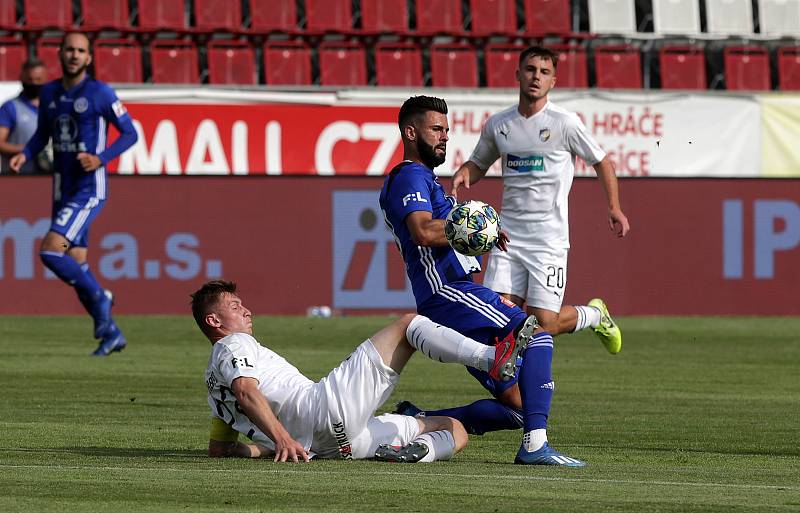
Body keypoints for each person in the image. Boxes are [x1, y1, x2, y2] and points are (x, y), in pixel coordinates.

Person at [379, 95, 586, 466]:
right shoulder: (408, 175)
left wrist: (484, 233)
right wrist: (472, 227)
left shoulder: (427, 178)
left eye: (447, 130)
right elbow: (424, 231)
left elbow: (448, 231)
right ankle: (536, 447)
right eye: (436, 129)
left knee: (521, 406)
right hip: (447, 291)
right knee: (535, 331)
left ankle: (416, 420)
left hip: (457, 294)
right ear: (411, 132)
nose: (445, 136)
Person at [193, 279, 522, 463]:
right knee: (409, 325)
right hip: (324, 409)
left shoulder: (213, 391)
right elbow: (246, 391)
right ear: (214, 322)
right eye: (235, 307)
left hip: (333, 447)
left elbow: (220, 450)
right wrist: (282, 438)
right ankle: (491, 357)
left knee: (452, 427)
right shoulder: (232, 344)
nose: (247, 310)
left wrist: (280, 446)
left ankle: (416, 454)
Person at [451, 46, 630, 354]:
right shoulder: (499, 124)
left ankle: (595, 314)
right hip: (506, 239)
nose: (536, 77)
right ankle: (514, 394)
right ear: (518, 74)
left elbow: (602, 161)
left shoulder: (565, 123)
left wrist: (614, 207)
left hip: (548, 240)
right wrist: (464, 172)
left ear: (553, 81)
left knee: (542, 323)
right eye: (531, 70)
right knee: (497, 322)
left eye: (544, 72)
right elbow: (478, 163)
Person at [9, 32, 138, 356]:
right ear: (61, 54)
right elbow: (42, 134)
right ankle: (111, 333)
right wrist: (25, 153)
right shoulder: (50, 92)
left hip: (88, 189)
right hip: (62, 187)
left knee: (51, 251)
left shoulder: (100, 92)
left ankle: (101, 298)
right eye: (69, 49)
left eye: (81, 50)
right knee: (76, 259)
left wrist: (101, 158)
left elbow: (130, 133)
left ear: (89, 58)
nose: (74, 55)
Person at [0, 58, 48, 174]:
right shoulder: (10, 107)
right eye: (30, 79)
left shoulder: (53, 106)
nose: (34, 84)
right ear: (22, 78)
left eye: (38, 80)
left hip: (48, 176)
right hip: (19, 176)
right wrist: (28, 149)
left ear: (45, 79)